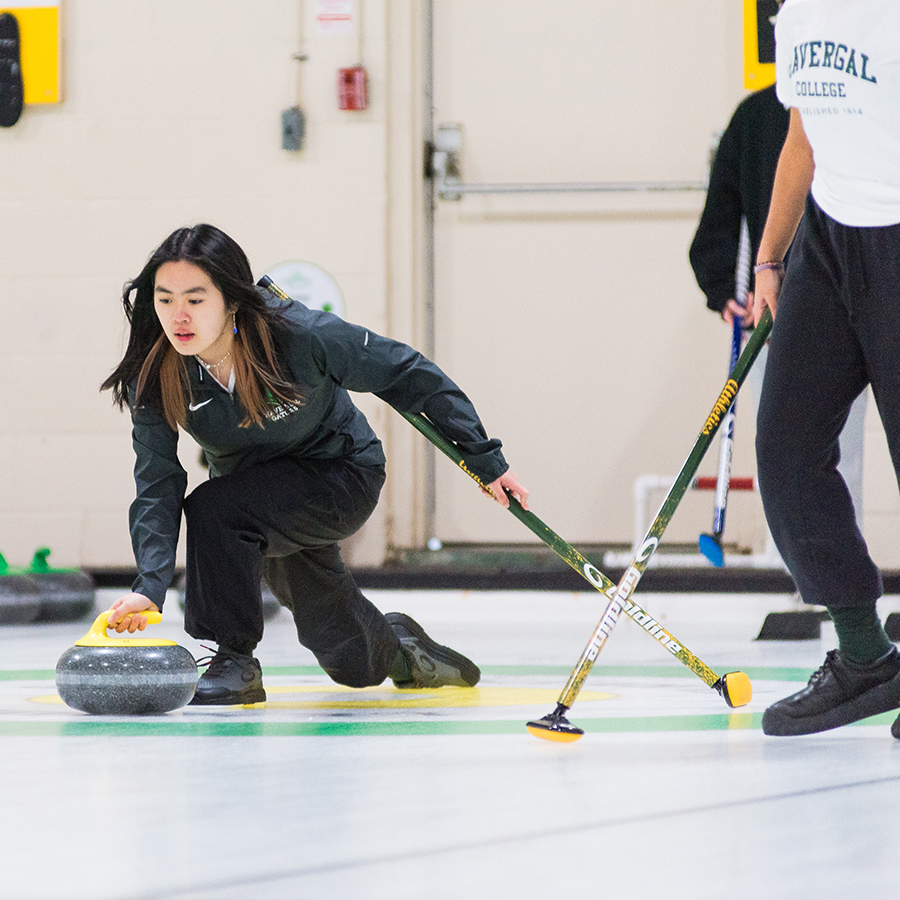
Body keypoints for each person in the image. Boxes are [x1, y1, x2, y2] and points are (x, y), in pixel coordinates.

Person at [101, 224, 528, 705]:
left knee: (213, 509)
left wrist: (484, 458)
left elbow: (408, 373)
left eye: (195, 300)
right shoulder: (156, 372)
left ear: (232, 299)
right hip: (255, 501)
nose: (178, 315)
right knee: (349, 661)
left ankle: (233, 660)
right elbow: (157, 481)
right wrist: (150, 586)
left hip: (340, 476)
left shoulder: (300, 335)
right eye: (165, 299)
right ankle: (402, 651)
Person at [751, 0, 900, 737]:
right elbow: (802, 140)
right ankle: (866, 655)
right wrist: (770, 258)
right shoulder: (800, 14)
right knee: (785, 449)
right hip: (826, 242)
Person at [689, 82, 866, 543]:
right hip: (774, 311)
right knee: (788, 454)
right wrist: (722, 285)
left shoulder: (857, 97)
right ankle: (794, 576)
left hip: (851, 304)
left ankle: (841, 592)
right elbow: (723, 207)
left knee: (836, 455)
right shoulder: (755, 115)